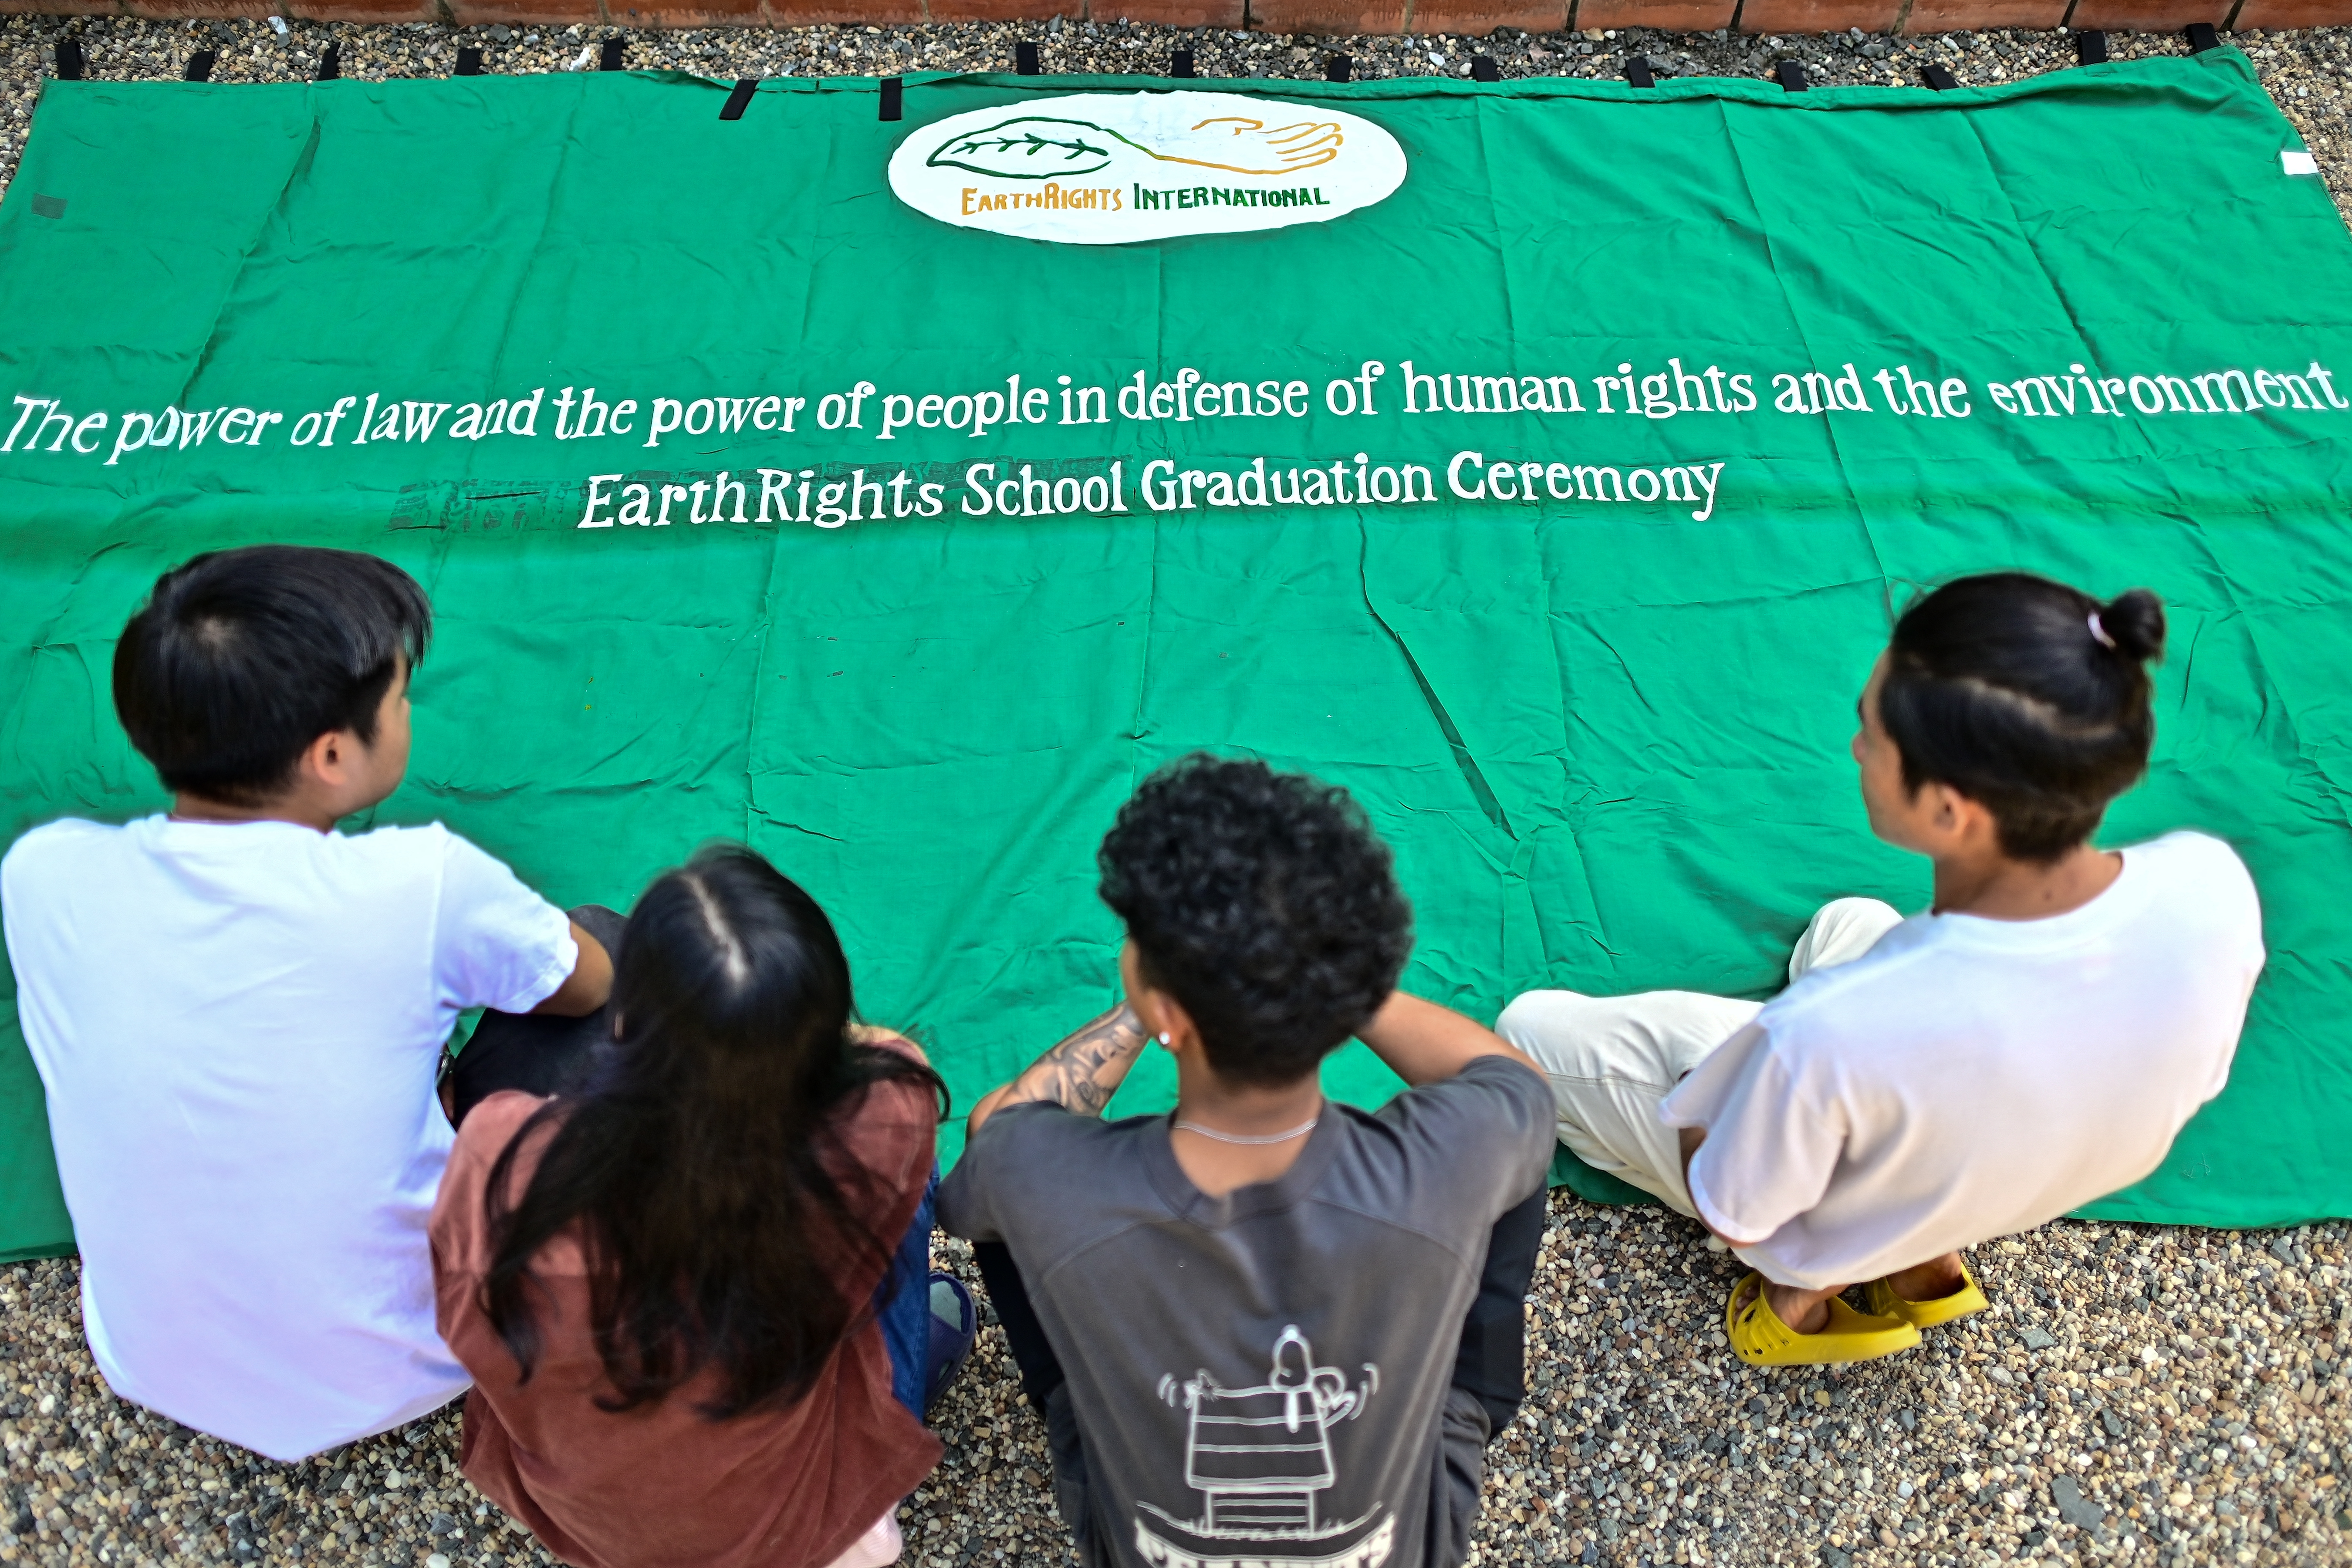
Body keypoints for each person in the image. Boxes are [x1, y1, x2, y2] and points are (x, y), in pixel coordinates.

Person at [1498, 573, 2264, 1366]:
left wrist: (1721, 1092)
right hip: (2018, 1177)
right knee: (1851, 923)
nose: (1858, 743)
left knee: (1526, 1032)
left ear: (1948, 810)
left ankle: (1806, 1293)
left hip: (1834, 1197)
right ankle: (1926, 1259)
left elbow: (1738, 1210)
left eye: (1872, 730)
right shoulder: (2213, 884)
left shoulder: (1831, 1033)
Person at [0, 545, 612, 1461]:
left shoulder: (42, 874)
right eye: (401, 701)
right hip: (417, 1356)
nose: (409, 714)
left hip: (147, 1359)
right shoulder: (423, 885)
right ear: (332, 754)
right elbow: (590, 982)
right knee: (609, 943)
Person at [939, 755, 1555, 1568]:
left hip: (1138, 1539)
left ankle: (1067, 1389)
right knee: (1518, 1166)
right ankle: (1476, 1388)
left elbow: (997, 1132)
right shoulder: (1447, 1164)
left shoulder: (1043, 1180)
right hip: (1406, 1537)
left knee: (1006, 1216)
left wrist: (1147, 1015)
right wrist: (1332, 978)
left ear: (1164, 1003)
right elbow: (1522, 1089)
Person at [431, 846, 974, 1568]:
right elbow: (897, 1059)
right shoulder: (874, 1129)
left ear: (624, 1026)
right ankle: (884, 1435)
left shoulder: (502, 1154)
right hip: (798, 1519)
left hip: (588, 1513)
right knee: (909, 1183)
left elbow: (464, 1313)